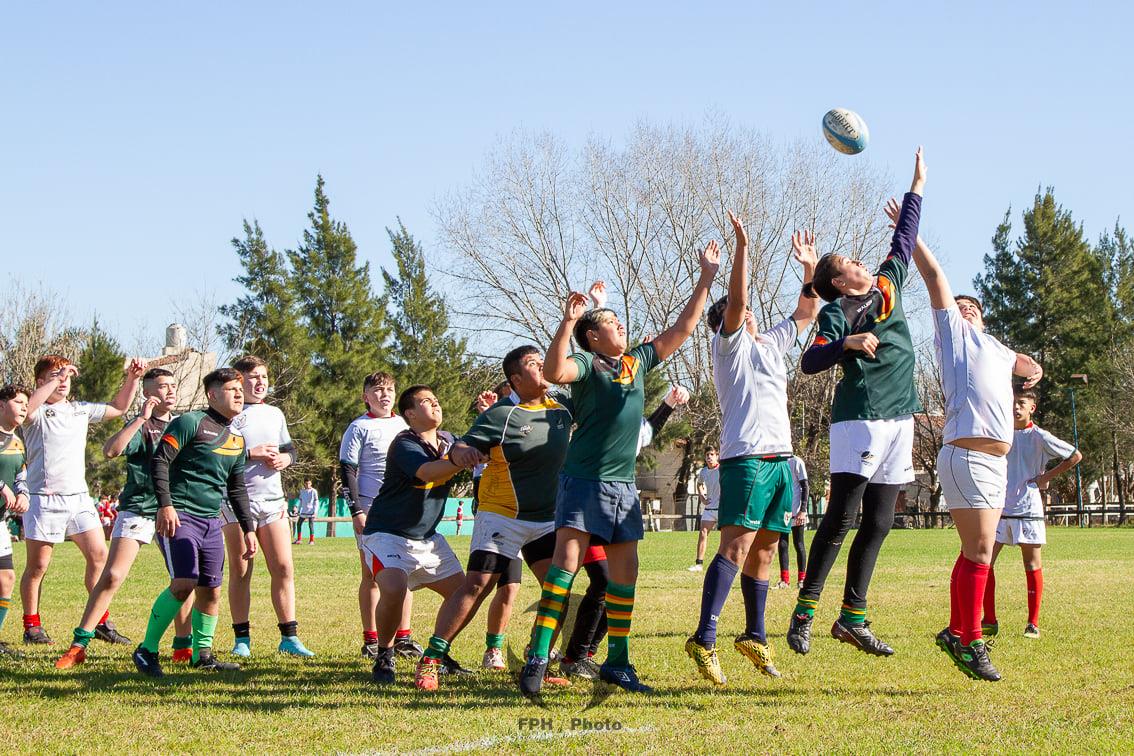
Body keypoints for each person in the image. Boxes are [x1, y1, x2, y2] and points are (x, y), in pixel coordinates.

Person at [520, 237, 719, 696]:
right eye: (610, 321)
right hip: (584, 481)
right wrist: (567, 323)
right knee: (565, 565)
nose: (619, 324)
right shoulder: (587, 363)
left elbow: (684, 327)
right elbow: (553, 372)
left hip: (622, 487)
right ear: (593, 336)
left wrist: (705, 277)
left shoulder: (638, 359)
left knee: (625, 575)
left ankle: (618, 662)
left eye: (618, 320)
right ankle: (537, 657)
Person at [900, 147, 1043, 682]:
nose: (965, 309)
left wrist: (1035, 371)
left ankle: (957, 633)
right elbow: (935, 276)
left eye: (973, 305)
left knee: (974, 551)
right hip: (965, 453)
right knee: (981, 550)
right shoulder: (955, 336)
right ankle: (970, 640)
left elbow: (1028, 364)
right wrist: (912, 226)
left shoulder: (997, 349)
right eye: (960, 307)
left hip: (993, 460)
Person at [787, 145, 927, 658]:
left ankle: (852, 618)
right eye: (847, 263)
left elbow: (904, 240)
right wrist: (846, 344)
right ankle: (804, 612)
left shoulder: (887, 286)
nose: (859, 261)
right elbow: (809, 362)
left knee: (881, 521)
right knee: (841, 518)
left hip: (900, 419)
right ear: (839, 282)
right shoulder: (838, 313)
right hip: (860, 420)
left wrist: (917, 187)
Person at [685, 214, 820, 686]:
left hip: (782, 460)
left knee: (765, 552)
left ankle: (755, 636)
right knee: (736, 547)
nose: (751, 314)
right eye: (741, 314)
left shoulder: (770, 345)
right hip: (746, 460)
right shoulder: (730, 348)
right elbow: (738, 302)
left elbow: (806, 314)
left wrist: (809, 269)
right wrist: (743, 247)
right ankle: (703, 639)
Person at [413, 346, 569, 691]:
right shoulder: (501, 414)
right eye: (534, 364)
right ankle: (432, 658)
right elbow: (458, 447)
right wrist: (463, 452)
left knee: (559, 589)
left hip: (546, 520)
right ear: (515, 378)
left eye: (544, 361)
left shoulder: (561, 409)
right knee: (476, 587)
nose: (544, 367)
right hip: (502, 517)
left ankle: (536, 658)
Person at [55, 368, 195, 669]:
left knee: (183, 577)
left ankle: (184, 646)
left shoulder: (185, 424)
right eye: (161, 386)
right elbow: (110, 450)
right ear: (148, 393)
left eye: (173, 385)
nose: (169, 391)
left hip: (173, 509)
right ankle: (79, 644)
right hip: (140, 508)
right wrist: (141, 418)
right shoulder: (142, 425)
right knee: (113, 575)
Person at [132, 368, 259, 677]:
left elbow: (237, 488)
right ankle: (146, 650)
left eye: (240, 389)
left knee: (211, 590)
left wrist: (248, 528)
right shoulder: (190, 423)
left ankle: (202, 655)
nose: (239, 394)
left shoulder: (237, 439)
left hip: (211, 521)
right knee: (184, 583)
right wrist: (166, 506)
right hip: (181, 516)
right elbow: (160, 461)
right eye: (231, 389)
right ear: (212, 395)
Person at [559, 384, 689, 681]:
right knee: (593, 581)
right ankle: (555, 655)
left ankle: (582, 655)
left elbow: (646, 431)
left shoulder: (626, 423)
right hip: (580, 508)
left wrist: (668, 403)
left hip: (611, 514)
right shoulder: (590, 415)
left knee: (612, 584)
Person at [19, 354, 143, 645]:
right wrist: (53, 382)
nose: (63, 381)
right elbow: (26, 411)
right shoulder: (35, 413)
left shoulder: (79, 410)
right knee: (38, 567)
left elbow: (118, 407)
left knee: (99, 557)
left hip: (79, 499)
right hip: (44, 499)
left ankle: (100, 621)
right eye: (54, 376)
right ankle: (32, 626)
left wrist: (133, 378)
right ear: (40, 382)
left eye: (66, 376)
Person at [361, 386, 475, 687]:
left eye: (436, 400)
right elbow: (427, 472)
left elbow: (461, 446)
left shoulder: (447, 439)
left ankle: (438, 652)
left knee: (464, 594)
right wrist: (459, 460)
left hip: (427, 537)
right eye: (427, 401)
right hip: (387, 533)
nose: (435, 404)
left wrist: (468, 447)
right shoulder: (404, 443)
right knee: (395, 586)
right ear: (410, 413)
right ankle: (385, 653)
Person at [221, 356, 313, 658]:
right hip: (237, 504)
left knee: (284, 568)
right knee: (241, 570)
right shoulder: (228, 414)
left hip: (273, 503)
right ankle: (242, 640)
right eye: (253, 378)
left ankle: (289, 637)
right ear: (239, 382)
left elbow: (290, 449)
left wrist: (286, 459)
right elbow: (214, 454)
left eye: (263, 377)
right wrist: (250, 453)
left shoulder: (275, 413)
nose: (260, 383)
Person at [982, 388, 1079, 640]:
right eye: (1012, 402)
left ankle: (1032, 623)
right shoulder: (1000, 433)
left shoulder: (1039, 436)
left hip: (1028, 510)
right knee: (984, 563)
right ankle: (989, 620)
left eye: (1021, 403)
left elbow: (1074, 455)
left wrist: (1045, 477)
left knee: (1032, 565)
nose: (1016, 407)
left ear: (1031, 408)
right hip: (999, 509)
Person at [339, 371, 420, 660]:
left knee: (405, 573)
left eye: (389, 389)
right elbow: (347, 470)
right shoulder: (358, 427)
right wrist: (357, 510)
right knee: (372, 576)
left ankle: (404, 637)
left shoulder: (404, 424)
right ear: (365, 396)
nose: (384, 395)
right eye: (377, 390)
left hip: (403, 508)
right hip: (372, 510)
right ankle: (371, 639)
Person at [0, 385, 30, 658]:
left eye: (26, 403)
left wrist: (23, 492)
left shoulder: (18, 441)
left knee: (6, 578)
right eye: (18, 401)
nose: (24, 407)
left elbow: (21, 473)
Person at [777, 456, 809, 588]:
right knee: (782, 544)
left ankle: (802, 580)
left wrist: (803, 510)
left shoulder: (797, 462)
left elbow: (805, 486)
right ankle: (784, 581)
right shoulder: (778, 462)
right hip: (782, 512)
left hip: (797, 512)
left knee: (799, 544)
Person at [688, 448, 721, 572]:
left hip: (722, 509)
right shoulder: (704, 471)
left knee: (726, 537)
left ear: (717, 456)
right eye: (707, 455)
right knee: (703, 533)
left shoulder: (722, 469)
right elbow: (699, 484)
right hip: (709, 508)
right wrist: (702, 497)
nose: (709, 457)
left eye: (712, 454)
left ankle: (726, 564)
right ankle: (699, 564)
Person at [296, 480, 318, 545]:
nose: (307, 484)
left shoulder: (314, 491)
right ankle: (299, 540)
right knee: (299, 524)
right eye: (306, 483)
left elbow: (316, 502)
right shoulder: (302, 491)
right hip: (303, 511)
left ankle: (311, 541)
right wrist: (298, 509)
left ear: (311, 483)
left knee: (311, 525)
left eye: (309, 483)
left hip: (311, 511)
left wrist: (315, 511)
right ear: (304, 484)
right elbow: (300, 501)